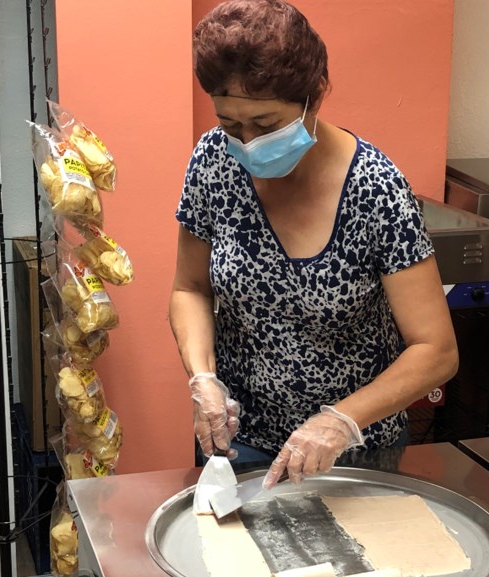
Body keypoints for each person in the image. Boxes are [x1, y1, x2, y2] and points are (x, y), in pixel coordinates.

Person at [169, 0, 458, 490]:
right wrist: (203, 379)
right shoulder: (213, 163)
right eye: (229, 124)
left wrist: (338, 422)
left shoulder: (376, 189)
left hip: (354, 449)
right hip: (243, 441)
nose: (246, 142)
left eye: (265, 124)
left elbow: (436, 350)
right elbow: (190, 289)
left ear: (314, 99)